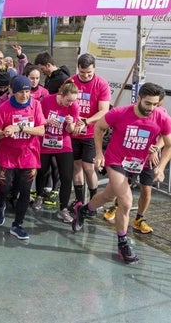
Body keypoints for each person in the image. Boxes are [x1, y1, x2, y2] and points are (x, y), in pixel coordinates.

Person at [72, 83, 171, 264]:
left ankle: (84, 210)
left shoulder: (162, 117)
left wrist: (161, 167)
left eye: (155, 104)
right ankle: (122, 243)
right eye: (148, 103)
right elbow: (99, 127)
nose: (151, 108)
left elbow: (169, 144)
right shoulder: (120, 113)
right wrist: (99, 153)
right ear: (139, 98)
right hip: (116, 160)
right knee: (126, 201)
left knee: (108, 195)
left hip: (137, 164)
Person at [0, 75, 45, 240]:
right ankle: (1, 203)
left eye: (27, 91)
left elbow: (41, 130)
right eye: (21, 91)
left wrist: (20, 128)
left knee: (25, 191)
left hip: (29, 155)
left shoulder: (36, 105)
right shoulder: (4, 108)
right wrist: (5, 131)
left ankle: (17, 225)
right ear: (12, 91)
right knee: (5, 186)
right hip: (8, 155)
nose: (25, 95)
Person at [69, 53, 111, 214]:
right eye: (82, 73)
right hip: (74, 132)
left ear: (94, 69)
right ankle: (79, 200)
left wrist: (86, 121)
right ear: (78, 69)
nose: (85, 76)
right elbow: (65, 103)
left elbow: (104, 111)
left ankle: (94, 201)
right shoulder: (71, 81)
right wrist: (74, 119)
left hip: (91, 133)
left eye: (89, 73)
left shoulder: (101, 84)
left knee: (88, 167)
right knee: (76, 166)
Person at [34, 82, 80, 221]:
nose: (70, 103)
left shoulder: (74, 107)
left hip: (63, 144)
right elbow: (38, 119)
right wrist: (48, 121)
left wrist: (70, 123)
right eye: (68, 100)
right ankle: (39, 196)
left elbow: (70, 131)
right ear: (61, 95)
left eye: (73, 101)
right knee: (42, 171)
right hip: (45, 142)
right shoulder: (47, 100)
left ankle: (63, 209)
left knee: (66, 176)